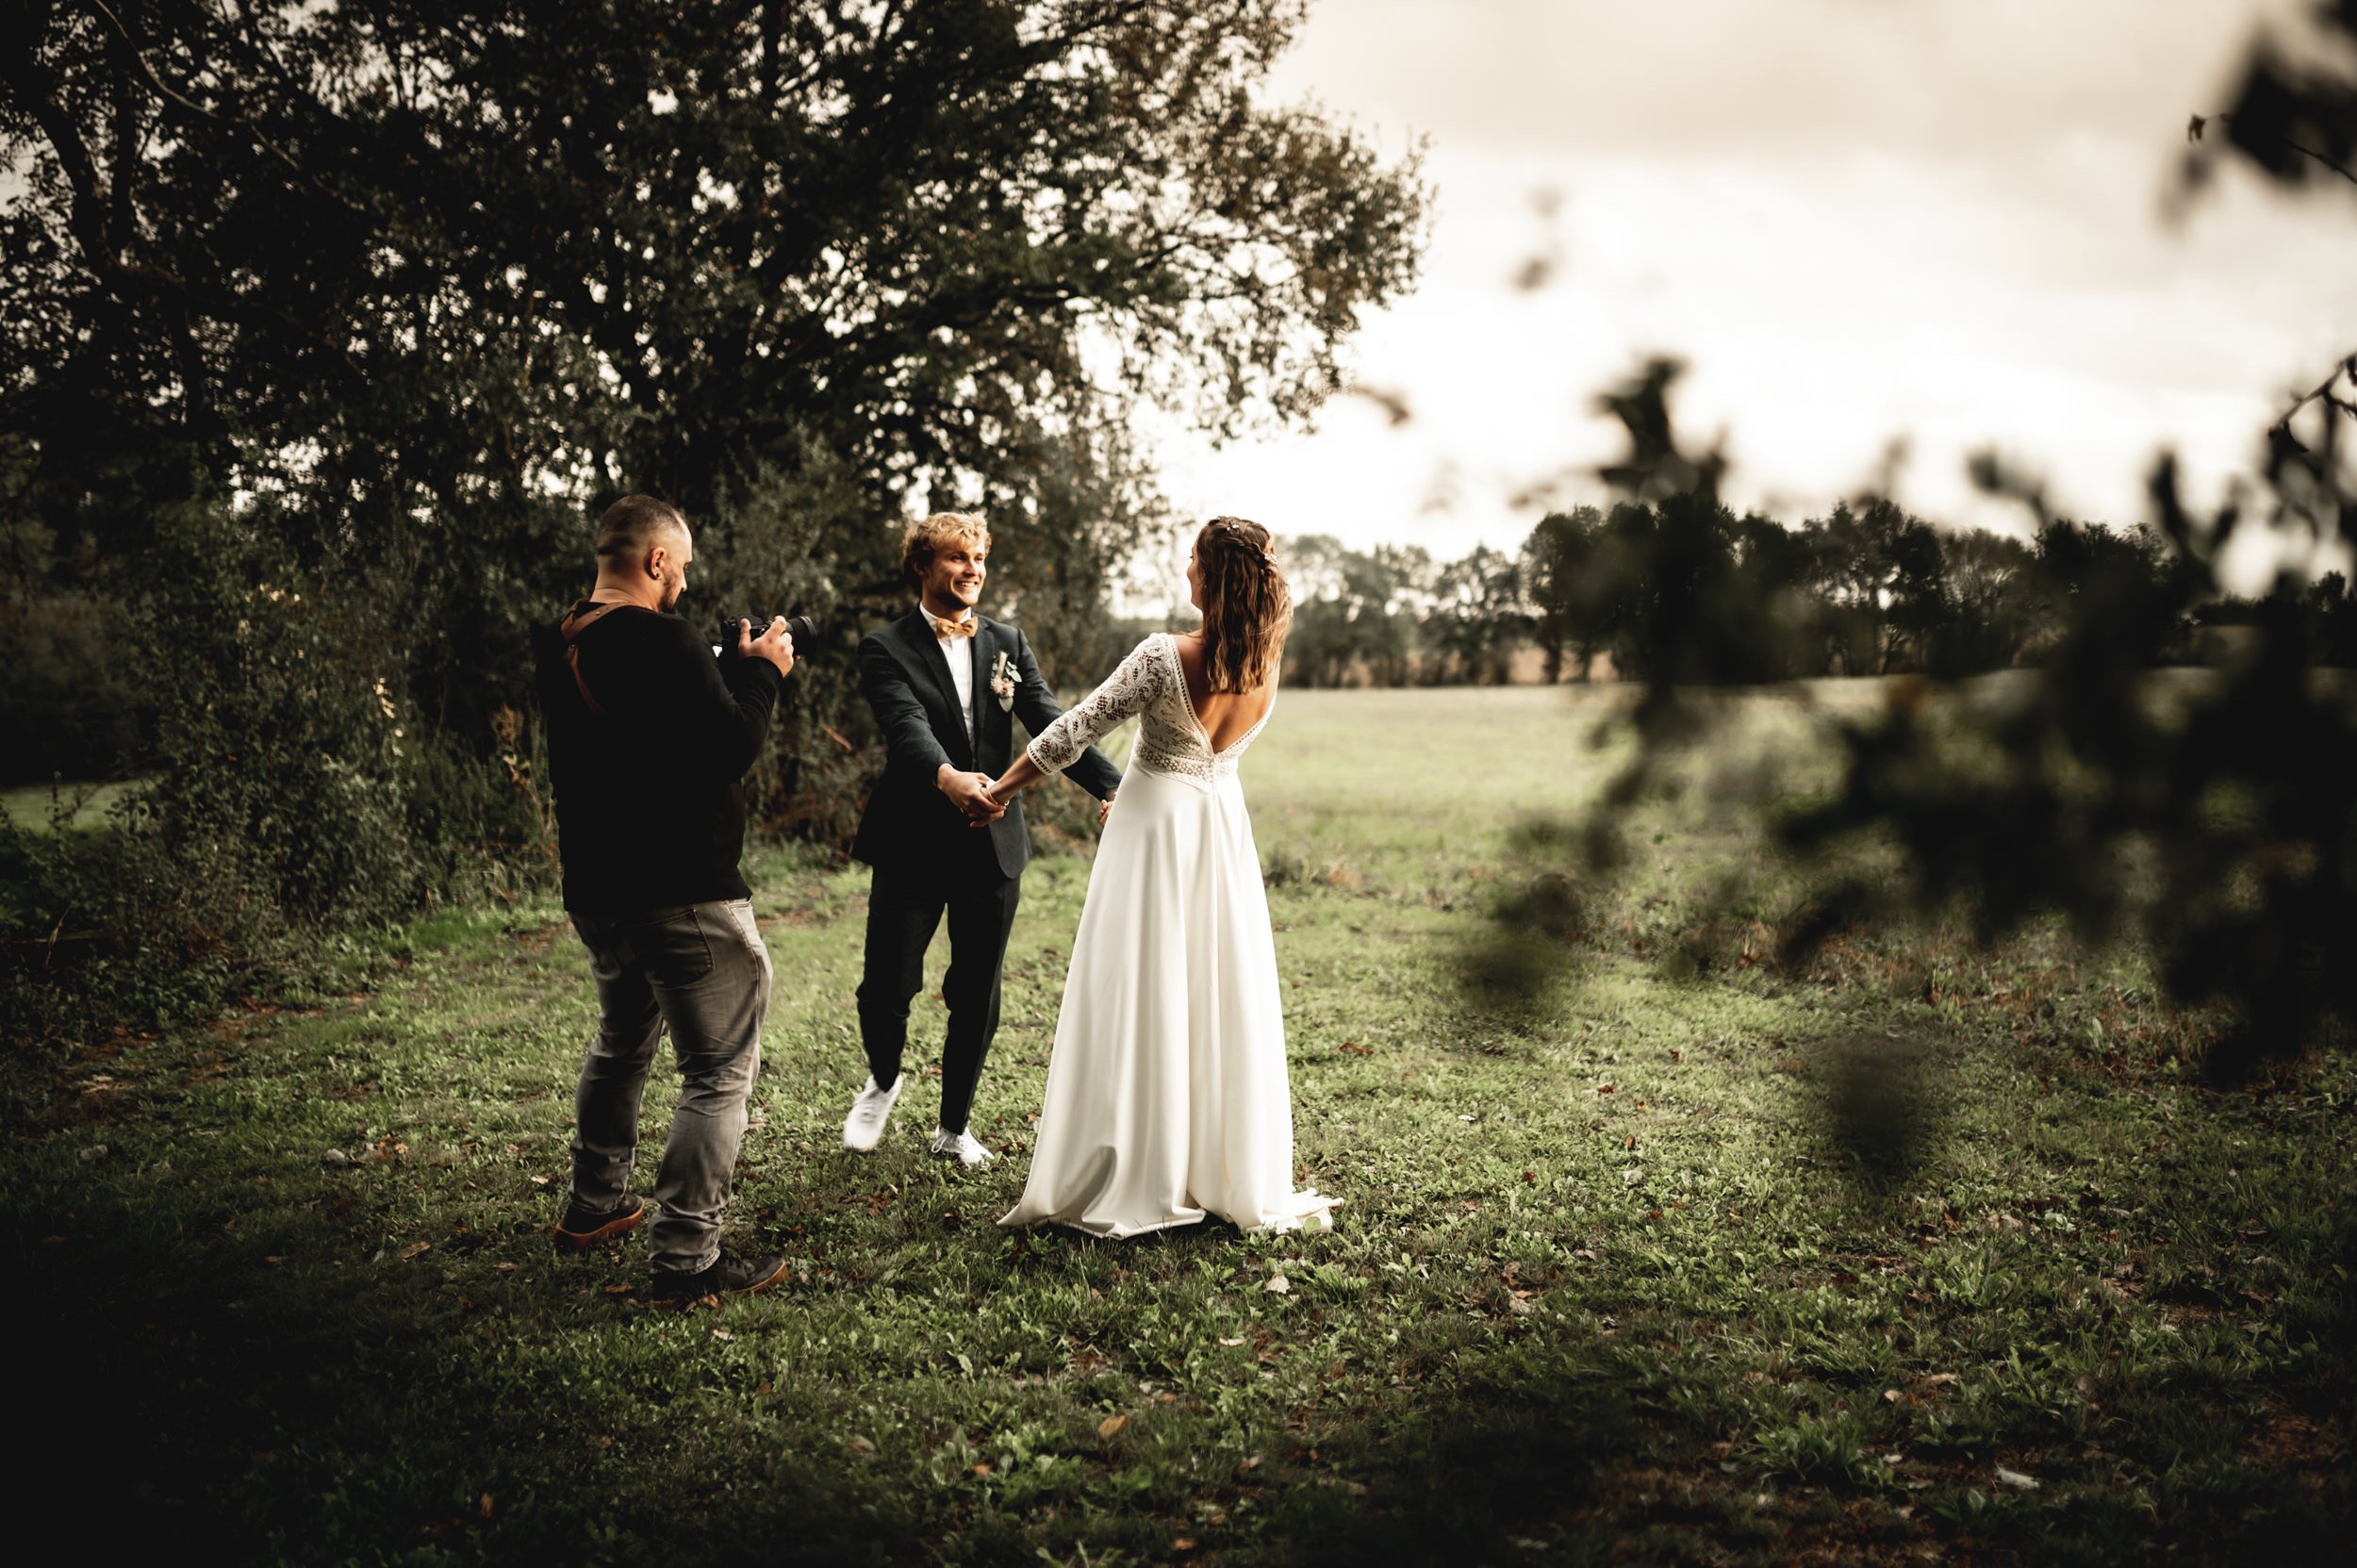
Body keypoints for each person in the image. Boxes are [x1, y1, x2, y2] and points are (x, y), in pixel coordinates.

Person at [990, 517, 1336, 1235]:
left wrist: (1001, 788)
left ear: (1210, 577)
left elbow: (1070, 731)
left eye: (1191, 561)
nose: (1185, 570)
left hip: (1152, 830)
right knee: (1213, 988)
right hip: (1219, 828)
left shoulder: (1162, 654)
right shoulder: (1265, 665)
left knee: (1140, 988)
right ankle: (1215, 1168)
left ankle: (1139, 1166)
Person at [531, 494, 797, 1301]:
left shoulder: (566, 638)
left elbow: (649, 741)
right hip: (683, 893)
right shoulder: (665, 636)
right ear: (654, 561)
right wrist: (762, 672)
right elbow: (728, 748)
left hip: (601, 892)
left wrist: (723, 667)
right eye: (679, 567)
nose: (682, 581)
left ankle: (593, 1204)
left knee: (622, 1040)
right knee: (716, 1070)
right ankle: (686, 1256)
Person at [842, 511, 1124, 1164]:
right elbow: (906, 726)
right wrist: (948, 778)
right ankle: (883, 1078)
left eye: (979, 559)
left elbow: (1051, 726)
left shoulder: (1007, 642)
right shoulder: (884, 647)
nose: (972, 570)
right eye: (956, 557)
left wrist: (1112, 787)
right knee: (887, 983)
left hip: (992, 845)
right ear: (922, 565)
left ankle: (953, 1127)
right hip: (912, 840)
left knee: (977, 988)